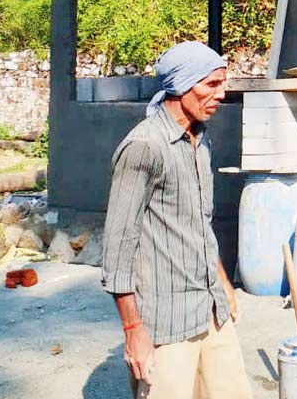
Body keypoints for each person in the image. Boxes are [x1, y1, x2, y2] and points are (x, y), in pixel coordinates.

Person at [101, 40, 253, 399]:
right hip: (166, 323)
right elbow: (117, 251)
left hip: (210, 310)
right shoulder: (144, 147)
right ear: (183, 85)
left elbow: (198, 226)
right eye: (212, 84)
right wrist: (133, 331)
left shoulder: (200, 140)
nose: (222, 93)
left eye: (223, 83)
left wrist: (225, 288)